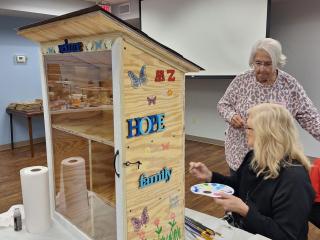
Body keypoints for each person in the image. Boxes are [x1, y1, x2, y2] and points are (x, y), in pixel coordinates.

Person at [189, 103, 315, 240]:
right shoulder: (253, 157)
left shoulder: (295, 179)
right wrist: (210, 175)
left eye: (248, 127)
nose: (245, 131)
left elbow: (286, 235)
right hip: (244, 231)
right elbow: (236, 186)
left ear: (267, 133)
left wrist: (245, 211)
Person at [217, 38, 320, 173]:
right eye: (257, 63)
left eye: (268, 64)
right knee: (239, 190)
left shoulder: (289, 85)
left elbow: (311, 117)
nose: (261, 69)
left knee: (267, 192)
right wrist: (231, 116)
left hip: (273, 157)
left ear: (277, 63)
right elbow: (223, 104)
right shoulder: (242, 80)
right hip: (240, 153)